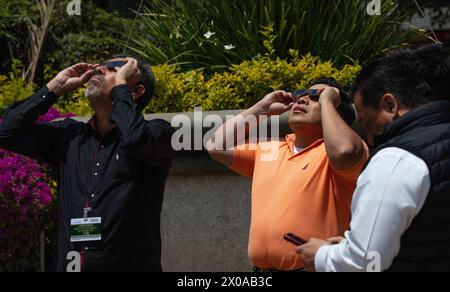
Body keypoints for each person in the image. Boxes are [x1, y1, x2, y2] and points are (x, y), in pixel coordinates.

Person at [0, 56, 174, 272]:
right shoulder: (69, 136)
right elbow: (7, 132)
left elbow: (134, 139)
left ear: (135, 91)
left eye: (113, 70)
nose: (99, 69)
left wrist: (121, 88)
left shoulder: (158, 134)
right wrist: (54, 88)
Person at [297, 43, 450, 272]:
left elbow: (364, 261)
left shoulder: (397, 159)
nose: (369, 138)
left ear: (389, 105)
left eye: (366, 123)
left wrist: (321, 256)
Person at [207, 78, 369, 271]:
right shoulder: (269, 150)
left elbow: (345, 151)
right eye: (300, 95)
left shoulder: (337, 153)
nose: (302, 100)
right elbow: (215, 146)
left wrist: (328, 101)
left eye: (316, 97)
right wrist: (261, 109)